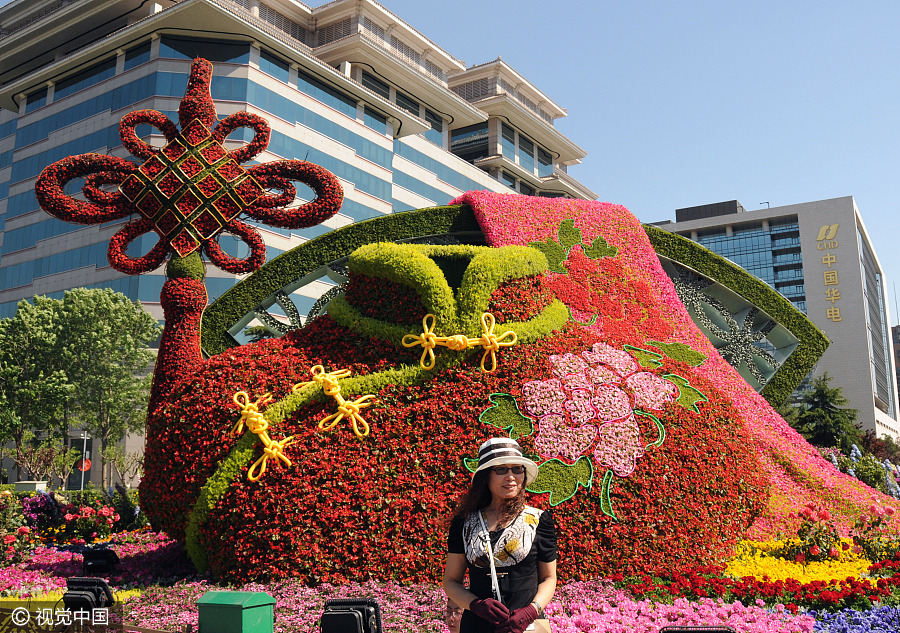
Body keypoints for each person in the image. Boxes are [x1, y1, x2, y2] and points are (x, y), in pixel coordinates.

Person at [444, 437, 558, 633]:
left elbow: (549, 578)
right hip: (477, 626)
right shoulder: (464, 523)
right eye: (501, 469)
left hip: (528, 627)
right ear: (485, 476)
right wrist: (476, 605)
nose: (511, 476)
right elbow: (451, 581)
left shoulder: (538, 520)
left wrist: (531, 610)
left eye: (517, 469)